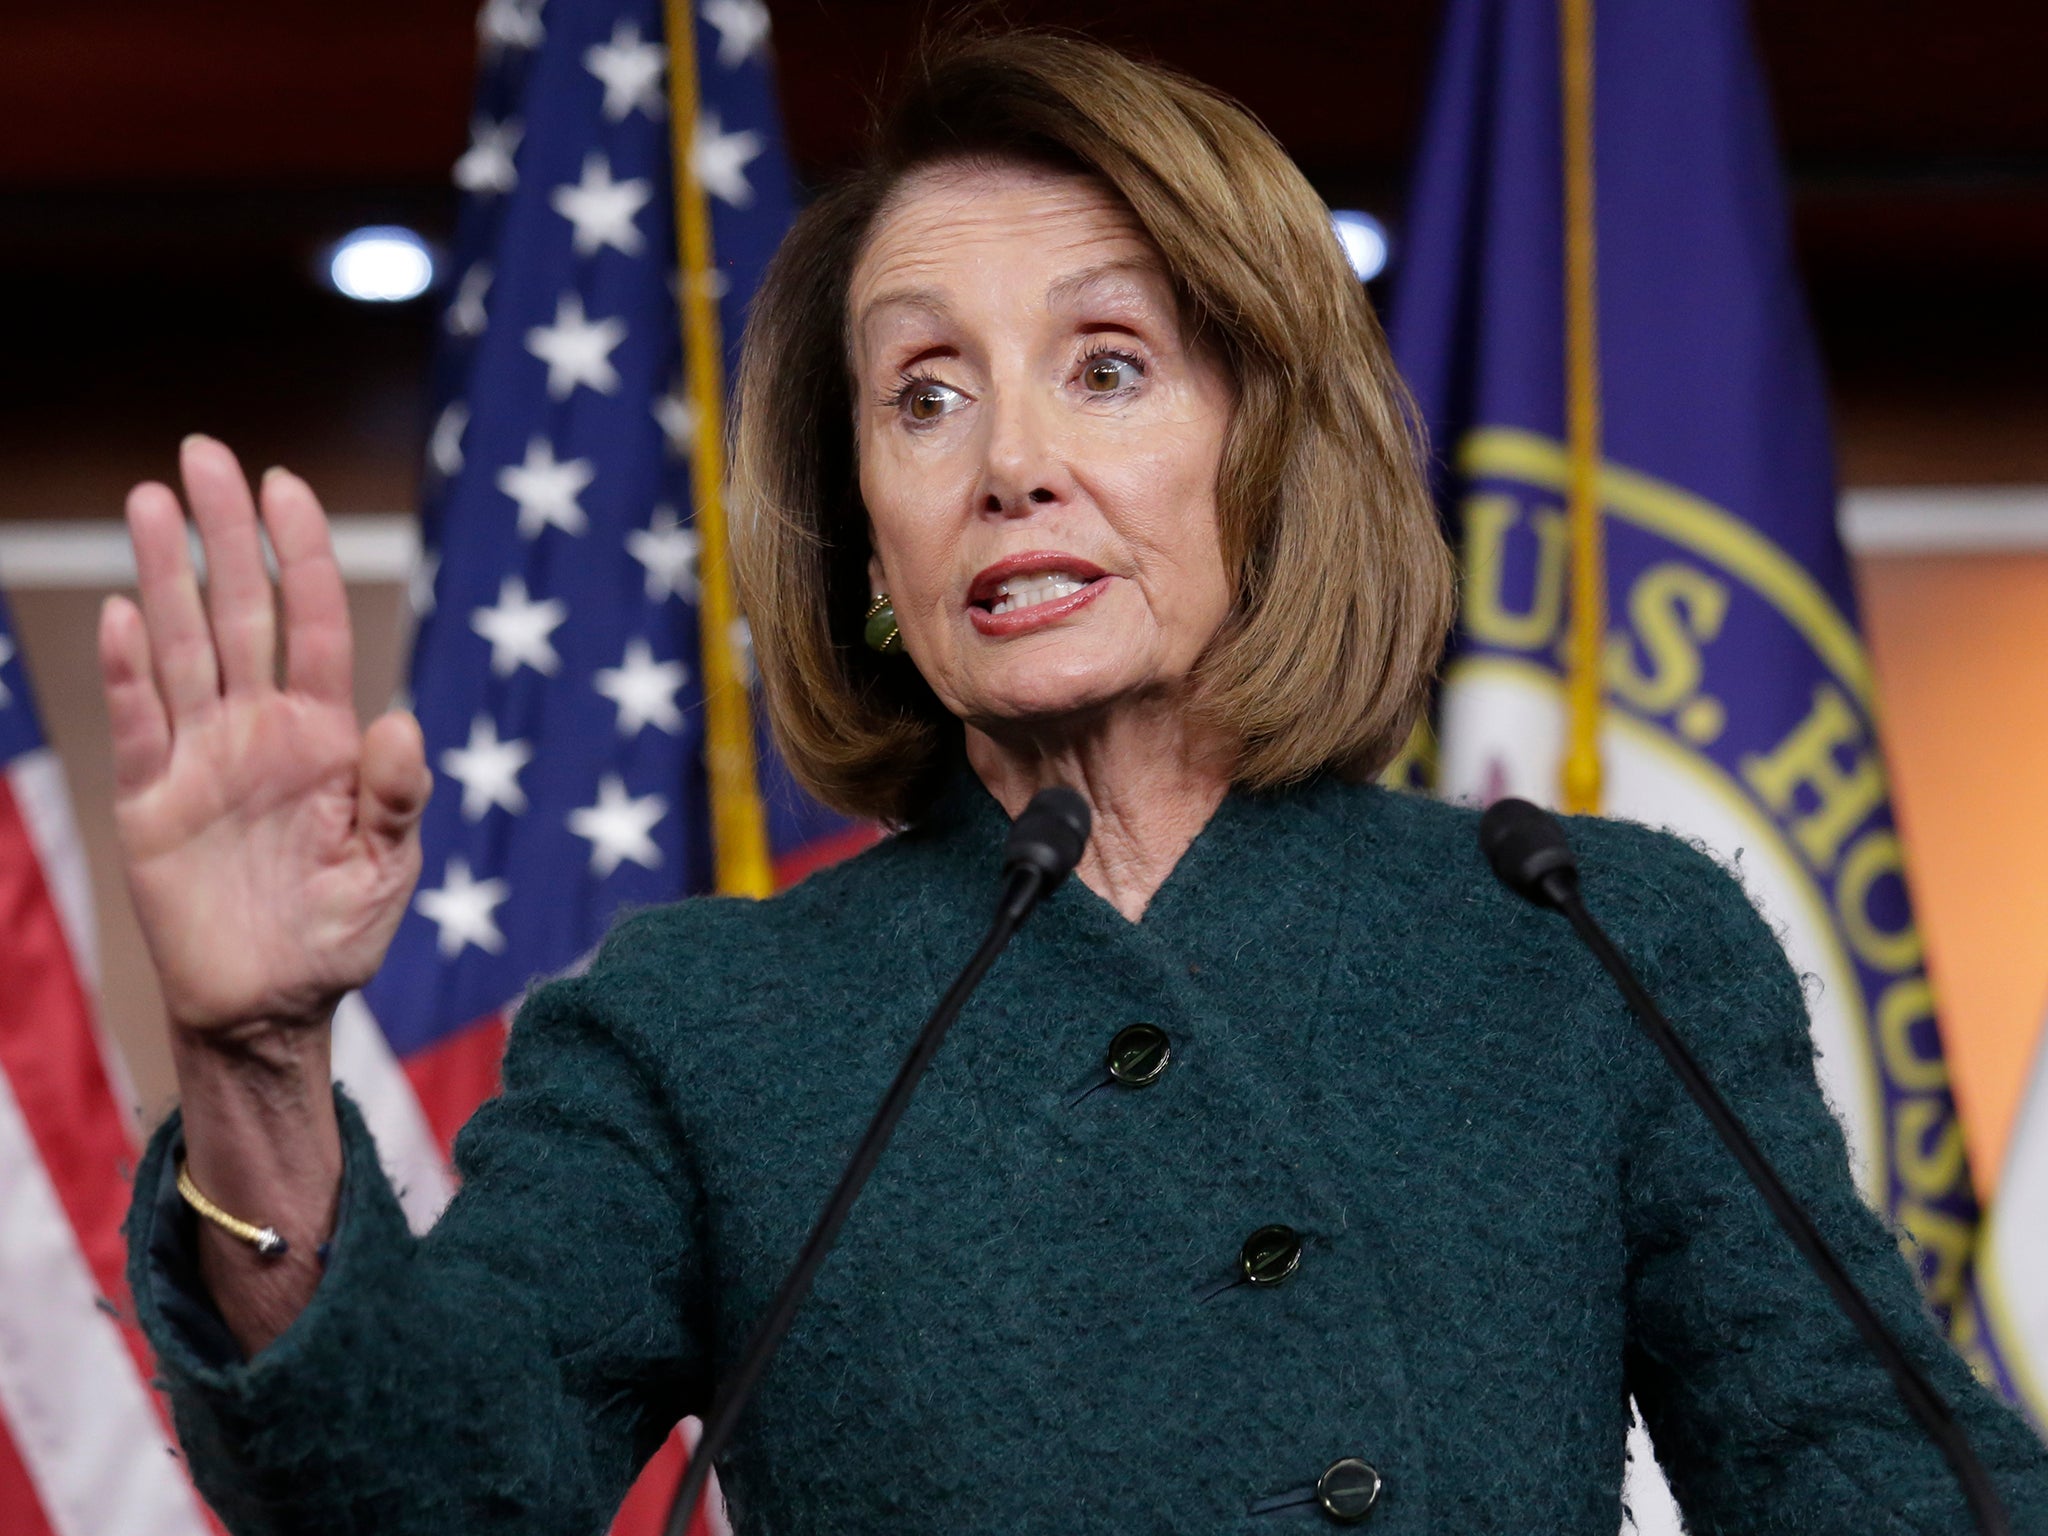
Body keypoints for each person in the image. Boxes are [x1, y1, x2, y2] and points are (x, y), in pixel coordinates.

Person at [112, 30, 2046, 1536]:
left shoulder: (1590, 943)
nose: (1008, 463)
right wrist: (259, 1060)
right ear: (867, 534)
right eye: (924, 394)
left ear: (1267, 449)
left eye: (1108, 365)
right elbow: (412, 1488)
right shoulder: (702, 1032)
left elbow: (1879, 1477)